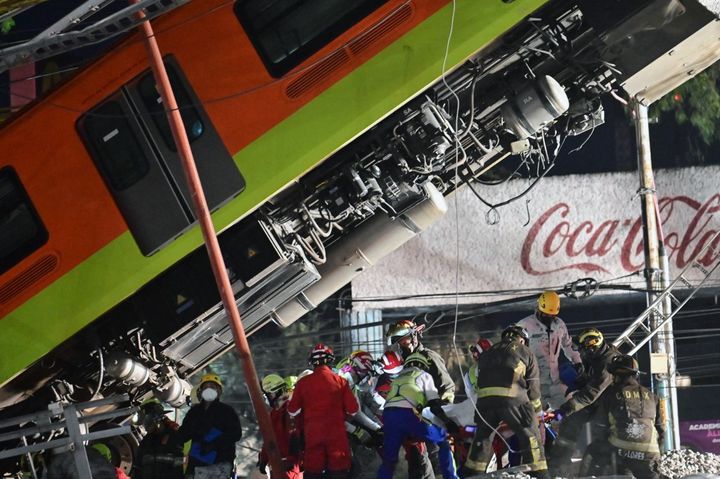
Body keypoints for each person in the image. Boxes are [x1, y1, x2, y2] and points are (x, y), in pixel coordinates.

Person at [463, 324, 548, 479]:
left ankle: (472, 474)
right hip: (513, 400)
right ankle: (540, 473)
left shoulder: (489, 352)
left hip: (484, 403)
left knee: (482, 439)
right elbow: (533, 386)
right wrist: (537, 414)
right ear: (522, 340)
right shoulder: (525, 351)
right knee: (530, 435)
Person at [548, 327, 621, 476]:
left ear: (594, 346)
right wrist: (581, 375)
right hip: (599, 399)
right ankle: (558, 463)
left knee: (599, 438)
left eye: (585, 349)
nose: (583, 353)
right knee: (571, 422)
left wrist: (563, 410)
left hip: (611, 405)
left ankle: (600, 471)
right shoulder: (597, 354)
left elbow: (590, 394)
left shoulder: (608, 361)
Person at [387, 319, 454, 477]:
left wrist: (442, 414)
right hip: (413, 418)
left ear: (416, 336)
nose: (404, 344)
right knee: (417, 460)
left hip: (432, 415)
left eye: (406, 338)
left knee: (436, 455)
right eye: (400, 341)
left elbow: (447, 386)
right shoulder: (406, 364)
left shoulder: (429, 356)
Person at [378, 352, 460, 479]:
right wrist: (448, 423)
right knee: (443, 441)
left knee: (389, 460)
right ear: (423, 365)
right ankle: (451, 477)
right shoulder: (423, 375)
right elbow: (434, 405)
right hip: (408, 415)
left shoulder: (397, 379)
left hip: (388, 416)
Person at [288, 344, 359, 479]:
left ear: (312, 362)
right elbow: (354, 410)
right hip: (336, 436)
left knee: (313, 472)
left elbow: (292, 411)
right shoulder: (341, 382)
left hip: (313, 435)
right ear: (331, 359)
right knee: (339, 473)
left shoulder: (302, 384)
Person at [593, 355, 665, 479]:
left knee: (593, 451)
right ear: (635, 374)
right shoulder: (653, 396)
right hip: (650, 453)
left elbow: (599, 426)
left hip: (620, 452)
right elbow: (661, 429)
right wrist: (657, 454)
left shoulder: (610, 394)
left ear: (616, 375)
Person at [517, 291, 583, 409]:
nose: (549, 317)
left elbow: (568, 345)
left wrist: (577, 362)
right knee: (535, 420)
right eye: (546, 314)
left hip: (555, 382)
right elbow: (514, 353)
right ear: (538, 308)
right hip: (534, 384)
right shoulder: (524, 326)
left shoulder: (559, 325)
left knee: (570, 411)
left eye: (552, 315)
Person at [178, 373, 242, 479]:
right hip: (196, 464)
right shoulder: (194, 412)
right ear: (201, 390)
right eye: (205, 387)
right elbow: (183, 434)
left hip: (220, 464)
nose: (208, 390)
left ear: (219, 391)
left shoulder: (226, 411)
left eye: (212, 387)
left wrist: (214, 445)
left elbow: (236, 434)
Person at [257, 374, 302, 478]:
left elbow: (295, 436)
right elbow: (269, 439)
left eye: (269, 395)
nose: (267, 399)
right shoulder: (274, 414)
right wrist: (264, 458)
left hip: (290, 466)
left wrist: (294, 459)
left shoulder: (290, 410)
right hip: (278, 465)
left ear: (277, 392)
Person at [131, 400, 184, 479]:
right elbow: (138, 467)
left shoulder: (173, 436)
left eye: (148, 424)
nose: (145, 428)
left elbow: (178, 468)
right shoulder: (146, 441)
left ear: (157, 421)